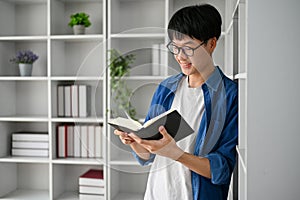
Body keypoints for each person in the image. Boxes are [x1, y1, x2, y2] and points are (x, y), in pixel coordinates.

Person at [114, 4, 238, 200]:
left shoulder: (230, 95)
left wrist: (175, 154)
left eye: (188, 48)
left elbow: (222, 170)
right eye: (175, 48)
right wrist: (136, 142)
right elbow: (148, 156)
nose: (180, 57)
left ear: (211, 44)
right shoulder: (166, 88)